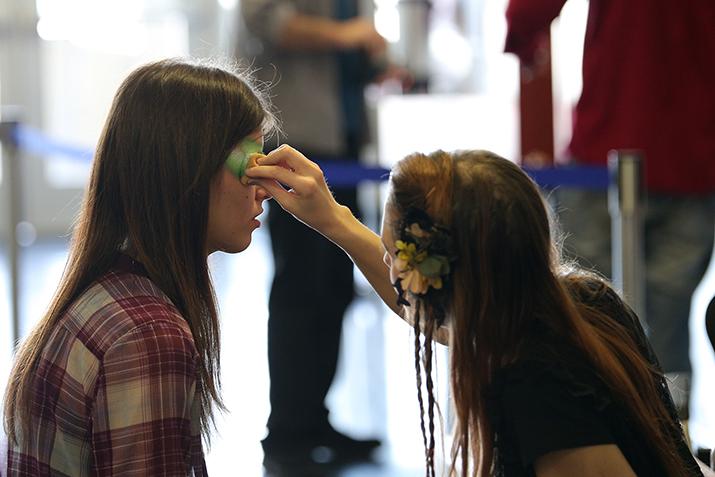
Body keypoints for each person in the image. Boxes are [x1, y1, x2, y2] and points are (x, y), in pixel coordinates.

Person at [246, 147, 703, 476]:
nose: (390, 267)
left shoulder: (535, 379)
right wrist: (334, 219)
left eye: (393, 255)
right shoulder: (577, 304)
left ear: (436, 273)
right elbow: (443, 314)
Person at [2, 58, 274, 476]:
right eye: (249, 165)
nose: (263, 191)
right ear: (187, 169)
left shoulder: (107, 290)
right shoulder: (150, 335)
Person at [503, 0, 715, 418]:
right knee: (668, 324)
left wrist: (524, 38)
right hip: (695, 152)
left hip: (609, 141)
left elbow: (527, 11)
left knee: (582, 312)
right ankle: (674, 440)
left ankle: (589, 431)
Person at [236, 0, 391, 468]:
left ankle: (313, 417)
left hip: (343, 139)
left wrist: (374, 52)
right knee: (300, 289)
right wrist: (348, 35)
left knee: (335, 288)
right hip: (295, 138)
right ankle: (285, 430)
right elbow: (263, 20)